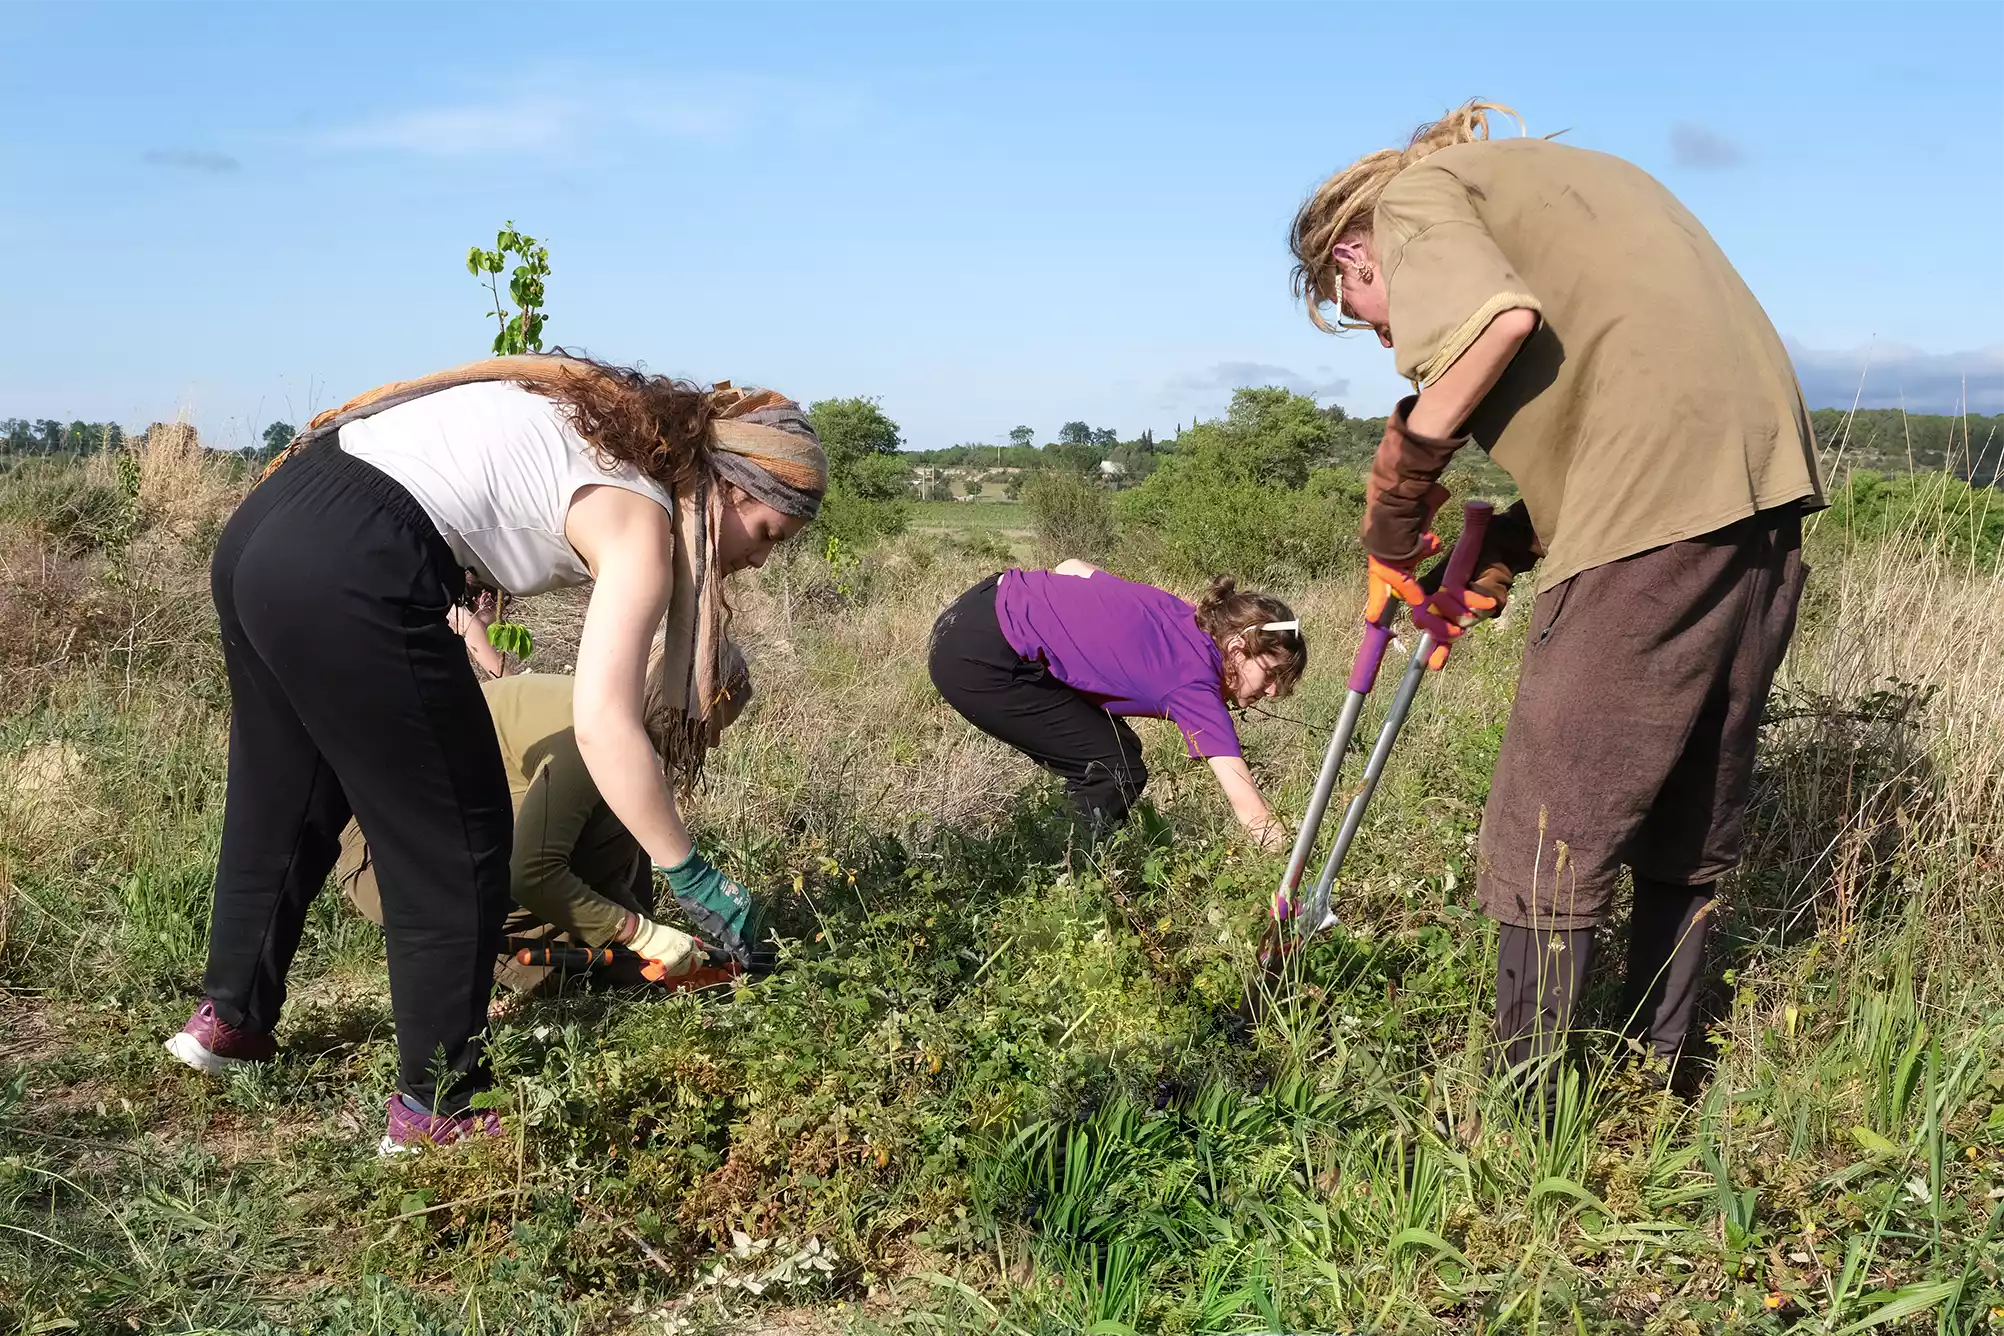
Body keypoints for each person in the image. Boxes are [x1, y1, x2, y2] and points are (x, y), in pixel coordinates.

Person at [1288, 101, 1824, 1100]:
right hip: (1766, 488)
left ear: (1355, 257)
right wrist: (1509, 547)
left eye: (1365, 313)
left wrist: (1399, 491)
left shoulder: (1411, 200)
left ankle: (1528, 1115)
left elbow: (1498, 324)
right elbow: (1647, 398)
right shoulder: (1565, 184)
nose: (1386, 338)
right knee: (1689, 801)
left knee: (1549, 818)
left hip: (1663, 501)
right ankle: (1662, 1077)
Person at [164, 355, 825, 1151]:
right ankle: (435, 1109)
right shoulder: (641, 516)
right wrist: (694, 876)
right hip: (355, 552)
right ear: (732, 488)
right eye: (766, 534)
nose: (758, 559)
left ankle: (229, 1022)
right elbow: (606, 724)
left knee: (287, 798)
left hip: (270, 523)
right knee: (459, 838)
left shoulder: (605, 435)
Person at [333, 643, 753, 997]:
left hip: (451, 840)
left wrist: (644, 939)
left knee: (626, 827)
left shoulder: (615, 717)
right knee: (570, 971)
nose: (713, 742)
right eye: (708, 727)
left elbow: (606, 852)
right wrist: (638, 935)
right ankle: (485, 955)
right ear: (674, 705)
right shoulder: (589, 739)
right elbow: (530, 874)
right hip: (388, 859)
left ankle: (572, 949)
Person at [928, 562, 1306, 848]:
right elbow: (1252, 813)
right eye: (1271, 675)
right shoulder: (1194, 683)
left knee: (1116, 752)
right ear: (1238, 649)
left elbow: (1072, 567)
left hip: (977, 605)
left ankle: (1064, 849)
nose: (1273, 692)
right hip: (977, 658)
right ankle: (1057, 872)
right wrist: (1293, 863)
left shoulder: (1181, 613)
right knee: (1113, 769)